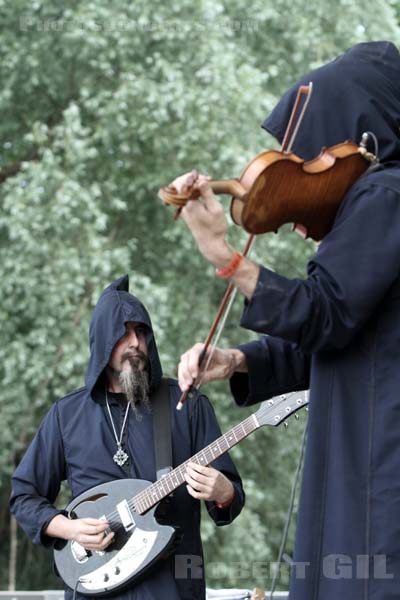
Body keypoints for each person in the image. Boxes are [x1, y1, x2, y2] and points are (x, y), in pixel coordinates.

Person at [174, 41, 400, 600]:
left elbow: (327, 312)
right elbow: (339, 334)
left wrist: (229, 259)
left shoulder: (387, 192)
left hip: (380, 460)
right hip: (364, 456)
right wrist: (237, 359)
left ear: (361, 127)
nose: (304, 172)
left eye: (313, 151)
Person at [9, 275, 245, 600]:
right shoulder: (67, 414)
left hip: (171, 590)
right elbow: (24, 496)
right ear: (103, 342)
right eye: (123, 333)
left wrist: (224, 493)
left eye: (140, 331)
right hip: (92, 586)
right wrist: (70, 528)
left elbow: (230, 500)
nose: (134, 342)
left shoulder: (187, 406)